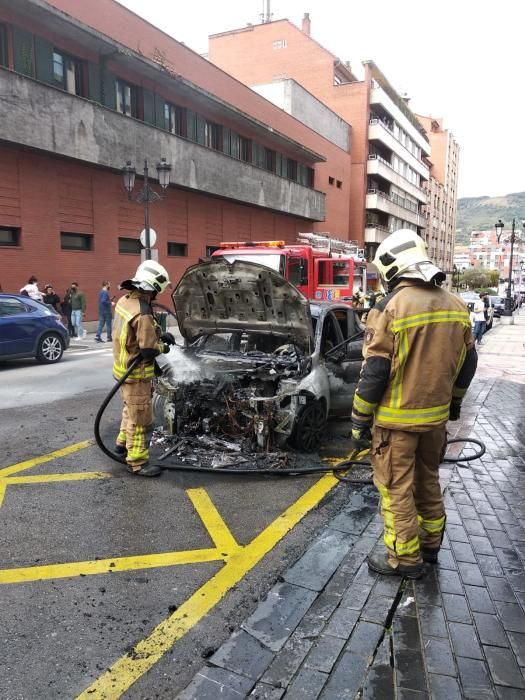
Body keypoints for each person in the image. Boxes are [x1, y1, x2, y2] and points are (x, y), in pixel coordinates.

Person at [351, 229, 477, 579]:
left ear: (392, 267)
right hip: (435, 423)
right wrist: (454, 405)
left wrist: (359, 421)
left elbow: (375, 371)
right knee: (428, 481)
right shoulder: (455, 305)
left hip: (396, 425)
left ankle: (405, 560)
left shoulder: (389, 307)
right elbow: (469, 363)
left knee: (395, 490)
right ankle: (430, 545)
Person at [112, 260, 175, 477]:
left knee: (130, 409)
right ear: (153, 287)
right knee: (140, 419)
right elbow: (148, 349)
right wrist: (163, 346)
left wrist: (159, 332)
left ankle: (121, 445)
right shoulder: (144, 311)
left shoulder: (125, 300)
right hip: (136, 372)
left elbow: (135, 333)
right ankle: (137, 462)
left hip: (122, 369)